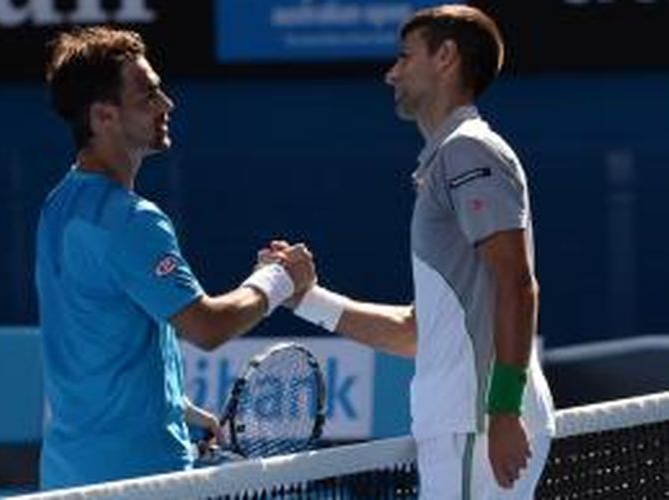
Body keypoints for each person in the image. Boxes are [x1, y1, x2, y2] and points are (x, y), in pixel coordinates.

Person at [264, 5, 555, 499]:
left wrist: (502, 411)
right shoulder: (450, 158)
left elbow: (517, 284)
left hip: (476, 420)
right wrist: (307, 298)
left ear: (445, 57)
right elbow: (416, 333)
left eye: (404, 57)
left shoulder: (468, 151)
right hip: (466, 420)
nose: (390, 73)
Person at [36, 26, 315, 490]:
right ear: (103, 116)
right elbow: (206, 327)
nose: (167, 105)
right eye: (147, 96)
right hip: (140, 480)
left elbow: (95, 336)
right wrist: (277, 281)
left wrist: (178, 410)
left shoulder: (56, 206)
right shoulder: (132, 221)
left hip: (69, 476)